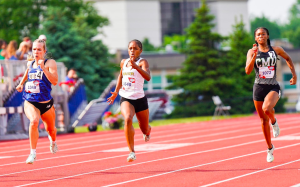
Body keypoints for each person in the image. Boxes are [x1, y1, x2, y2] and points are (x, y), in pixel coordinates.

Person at [245, 27, 297, 163]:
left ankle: (274, 122)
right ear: (255, 38)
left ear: (267, 36)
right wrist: (254, 56)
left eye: (263, 34)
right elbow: (248, 71)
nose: (261, 36)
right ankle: (270, 148)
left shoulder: (276, 50)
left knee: (267, 109)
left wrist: (294, 75)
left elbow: (288, 58)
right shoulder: (251, 52)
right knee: (262, 120)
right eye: (258, 35)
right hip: (258, 87)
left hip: (272, 85)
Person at [107, 39, 152, 162]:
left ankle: (147, 131)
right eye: (130, 48)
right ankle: (131, 152)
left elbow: (148, 77)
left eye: (135, 48)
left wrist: (136, 67)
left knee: (144, 128)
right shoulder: (123, 62)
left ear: (140, 50)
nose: (132, 51)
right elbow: (121, 75)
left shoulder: (143, 62)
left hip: (140, 99)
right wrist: (116, 91)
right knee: (127, 118)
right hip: (126, 97)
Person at [16, 39, 59, 164]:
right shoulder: (30, 63)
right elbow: (27, 72)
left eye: (39, 49)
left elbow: (55, 81)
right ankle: (32, 153)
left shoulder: (50, 63)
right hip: (30, 101)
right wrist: (21, 84)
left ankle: (53, 141)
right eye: (34, 49)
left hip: (46, 103)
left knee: (51, 130)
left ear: (44, 51)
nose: (36, 51)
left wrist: (43, 69)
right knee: (34, 121)